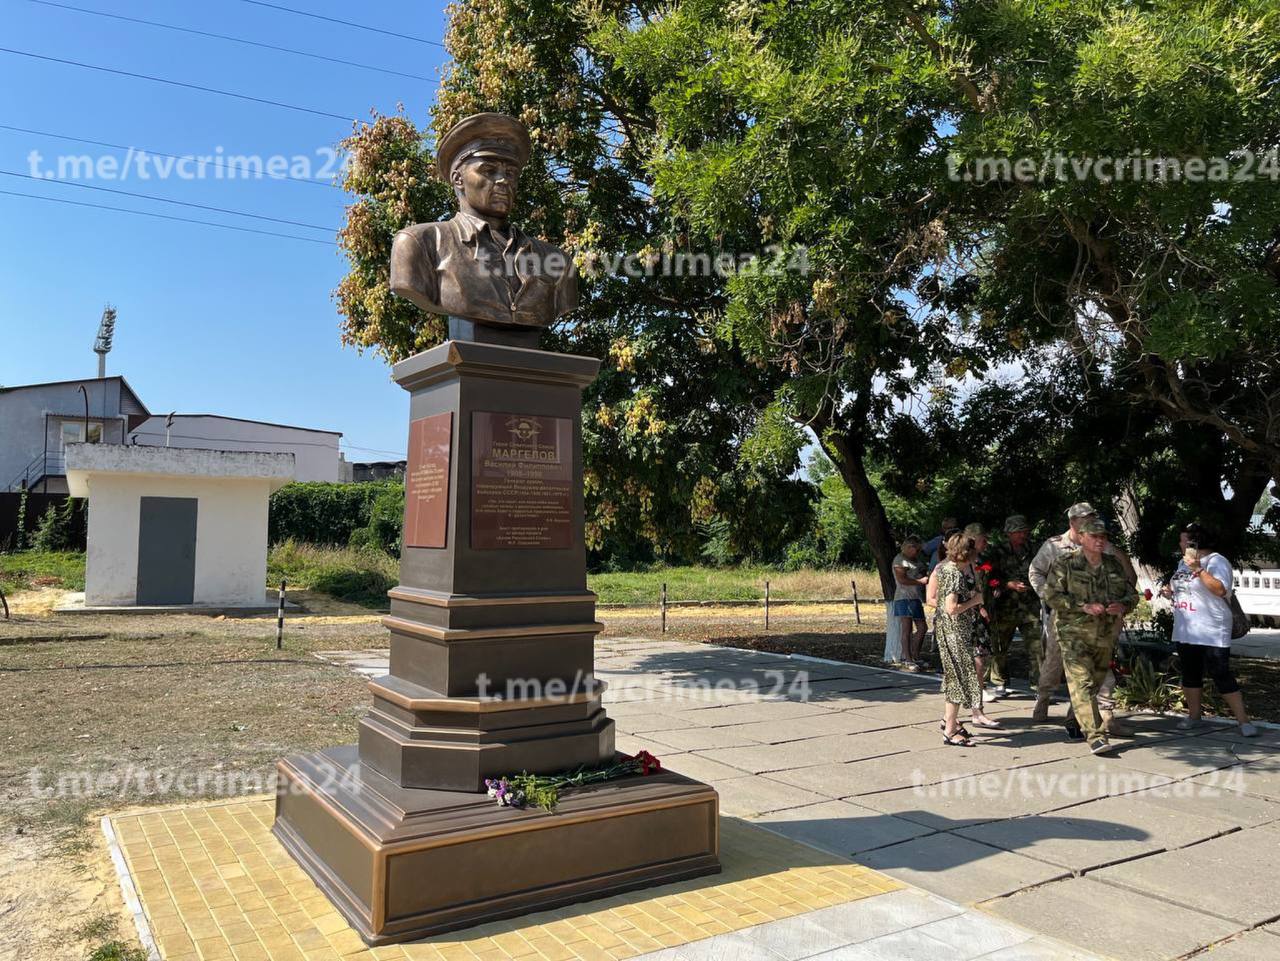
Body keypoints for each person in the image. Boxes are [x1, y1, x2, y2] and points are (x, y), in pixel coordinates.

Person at [390, 112, 578, 338]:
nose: (503, 181)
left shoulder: (557, 261)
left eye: (510, 173)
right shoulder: (420, 244)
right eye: (488, 170)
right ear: (458, 179)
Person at [1028, 502, 1137, 734]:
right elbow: (1035, 572)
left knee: (1100, 667)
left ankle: (1104, 716)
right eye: (1083, 518)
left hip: (1101, 621)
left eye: (1092, 516)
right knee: (1054, 663)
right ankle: (1043, 699)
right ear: (1072, 522)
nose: (1088, 520)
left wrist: (1120, 604)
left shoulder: (1103, 546)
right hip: (1066, 617)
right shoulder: (1055, 546)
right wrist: (1047, 597)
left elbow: (1127, 577)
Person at [1163, 523, 1258, 736]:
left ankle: (1243, 721)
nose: (1180, 544)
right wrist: (1170, 593)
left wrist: (1198, 568)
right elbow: (1185, 588)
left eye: (1183, 540)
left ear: (1193, 542)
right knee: (1190, 673)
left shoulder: (1216, 561)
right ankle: (1194, 716)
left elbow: (1220, 589)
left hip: (1211, 629)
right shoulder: (1181, 562)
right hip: (1186, 628)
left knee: (1220, 672)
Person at [936, 532, 1002, 744]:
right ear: (968, 553)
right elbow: (951, 608)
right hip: (955, 632)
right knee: (958, 680)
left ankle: (950, 722)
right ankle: (950, 732)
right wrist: (976, 600)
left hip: (948, 631)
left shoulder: (946, 568)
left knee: (955, 678)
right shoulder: (955, 574)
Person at [988, 515, 1042, 697]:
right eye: (1018, 532)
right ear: (1009, 533)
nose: (1023, 535)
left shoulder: (1034, 549)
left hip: (1030, 607)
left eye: (1025, 531)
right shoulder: (996, 552)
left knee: (1037, 647)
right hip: (1005, 607)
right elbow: (987, 577)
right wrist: (1006, 584)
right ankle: (999, 682)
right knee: (999, 647)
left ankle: (1038, 686)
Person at [965, 522, 999, 703]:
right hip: (969, 612)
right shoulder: (962, 562)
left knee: (982, 652)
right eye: (982, 540)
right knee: (975, 653)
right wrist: (980, 607)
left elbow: (990, 580)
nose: (985, 544)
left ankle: (979, 687)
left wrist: (995, 588)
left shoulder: (982, 561)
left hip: (983, 610)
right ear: (972, 540)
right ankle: (976, 689)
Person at [892, 536, 929, 670]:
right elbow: (902, 579)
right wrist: (920, 581)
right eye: (916, 549)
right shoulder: (899, 560)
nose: (917, 552)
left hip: (915, 597)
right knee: (907, 629)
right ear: (908, 547)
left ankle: (915, 655)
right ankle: (907, 659)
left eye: (919, 549)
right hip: (903, 597)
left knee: (922, 628)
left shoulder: (917, 560)